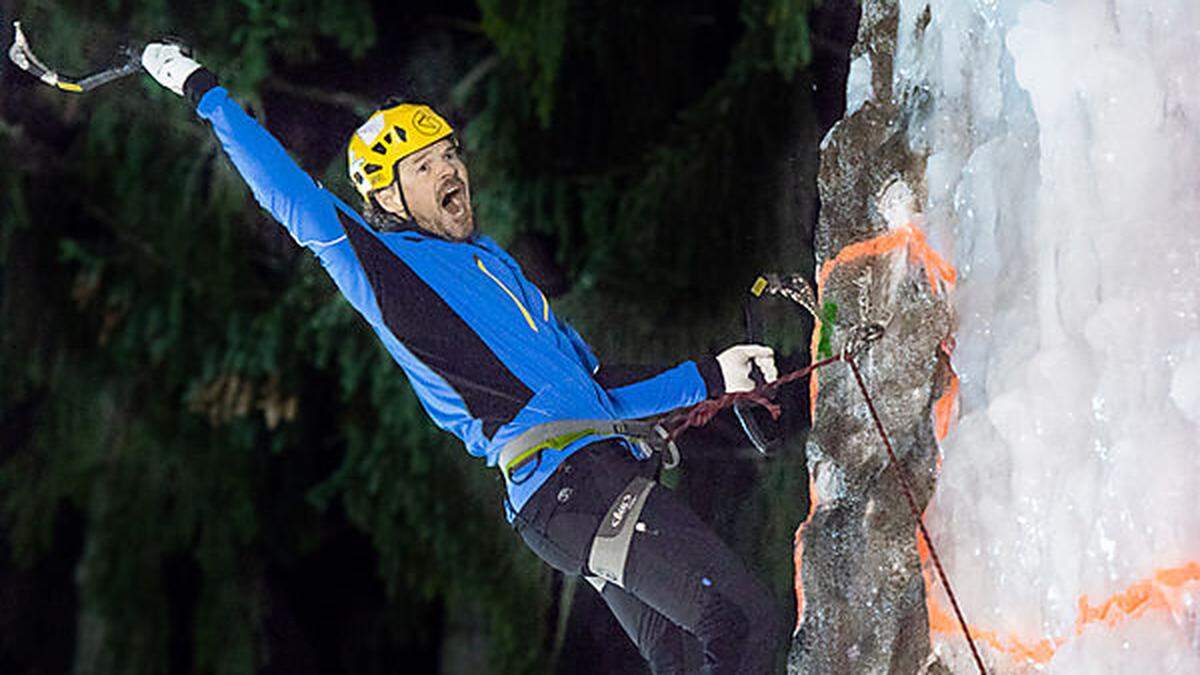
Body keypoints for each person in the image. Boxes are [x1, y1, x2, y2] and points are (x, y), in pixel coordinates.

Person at [141, 42, 788, 673]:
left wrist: (712, 374)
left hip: (588, 480)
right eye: (423, 166)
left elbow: (596, 388)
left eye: (450, 153)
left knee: (681, 654)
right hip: (571, 487)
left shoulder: (495, 268)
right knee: (745, 623)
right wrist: (206, 93)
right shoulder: (389, 268)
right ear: (388, 199)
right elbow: (292, 195)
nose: (450, 168)